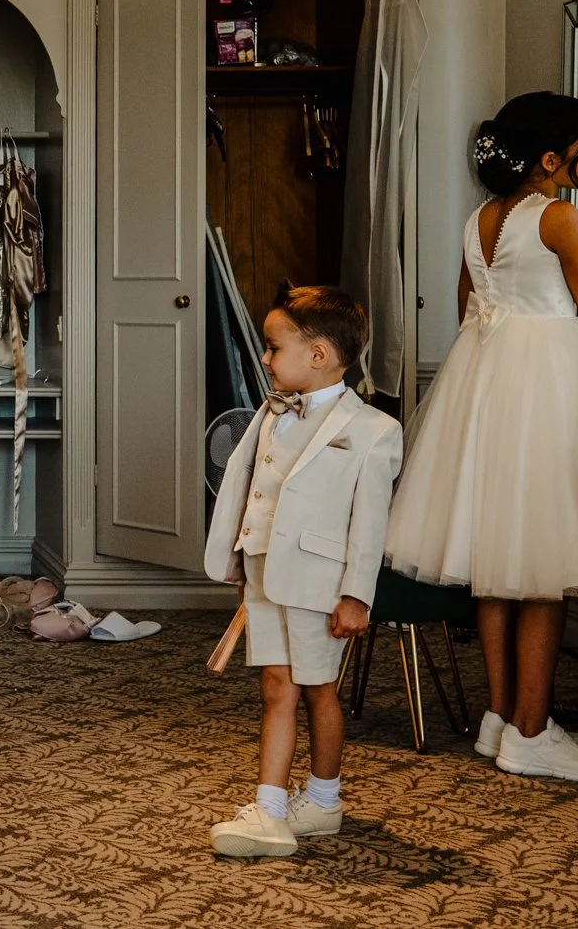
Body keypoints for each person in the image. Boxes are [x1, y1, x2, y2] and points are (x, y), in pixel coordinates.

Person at [386, 92, 578, 782]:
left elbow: (466, 306)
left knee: (499, 564)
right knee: (544, 565)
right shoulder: (560, 214)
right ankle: (532, 732)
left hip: (483, 382)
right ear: (551, 159)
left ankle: (501, 716)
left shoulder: (480, 217)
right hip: (545, 382)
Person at [203, 286, 402, 857]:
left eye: (272, 347)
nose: (265, 358)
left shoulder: (373, 432)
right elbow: (253, 487)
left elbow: (368, 526)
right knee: (275, 688)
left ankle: (322, 800)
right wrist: (243, 557)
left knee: (318, 692)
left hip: (320, 584)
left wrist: (356, 597)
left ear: (317, 354)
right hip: (266, 573)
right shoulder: (272, 412)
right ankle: (269, 807)